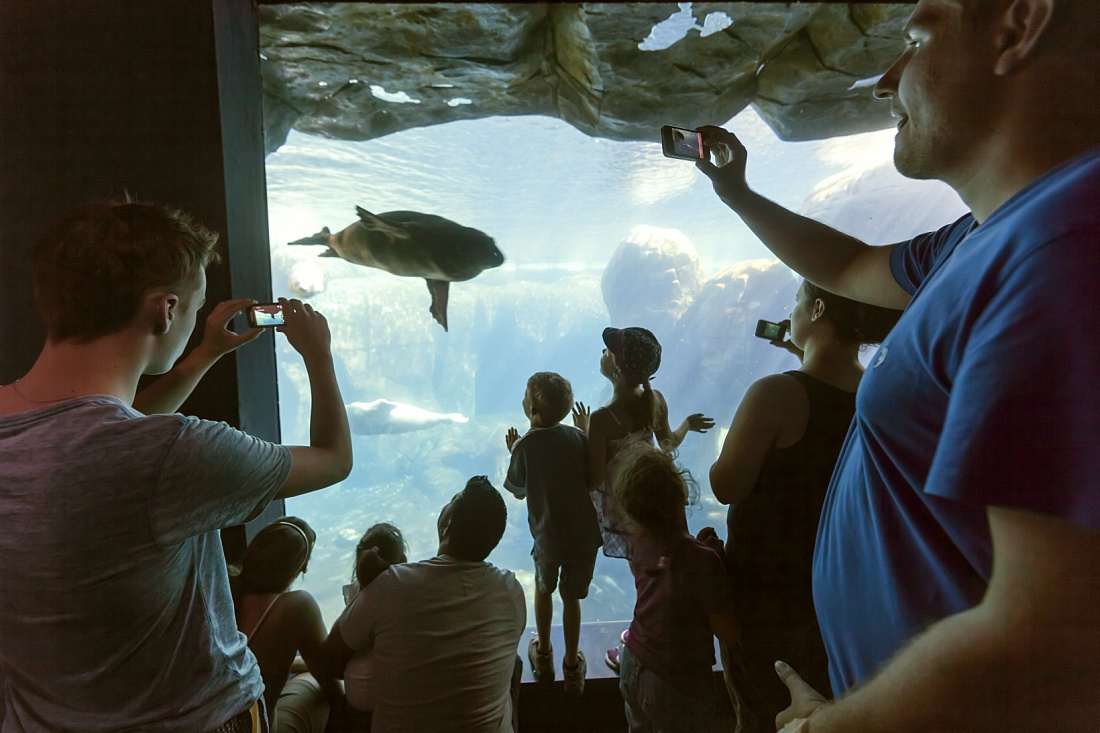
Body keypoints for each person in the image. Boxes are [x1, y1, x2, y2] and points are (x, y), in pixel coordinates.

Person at [695, 0, 1100, 728]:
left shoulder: (1064, 244)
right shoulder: (979, 239)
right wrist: (736, 193)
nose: (886, 79)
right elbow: (847, 264)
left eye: (915, 39)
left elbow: (1056, 639)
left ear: (1018, 26)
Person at [0, 200, 353, 731]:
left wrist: (203, 354)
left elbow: (96, 433)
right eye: (193, 309)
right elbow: (333, 460)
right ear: (165, 311)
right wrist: (319, 355)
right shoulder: (173, 452)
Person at [709, 282, 899, 732]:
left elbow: (726, 485)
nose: (790, 309)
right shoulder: (878, 391)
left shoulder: (775, 394)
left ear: (816, 308)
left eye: (796, 299)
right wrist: (805, 359)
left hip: (768, 601)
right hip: (845, 598)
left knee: (765, 713)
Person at [315, 476, 526, 733]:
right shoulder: (511, 592)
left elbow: (329, 660)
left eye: (452, 500)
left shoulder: (393, 584)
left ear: (447, 525)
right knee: (513, 664)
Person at [612, 441, 740, 733]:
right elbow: (729, 632)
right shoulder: (704, 563)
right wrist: (717, 563)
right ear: (681, 493)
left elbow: (671, 567)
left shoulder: (640, 545)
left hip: (633, 663)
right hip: (677, 684)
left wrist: (696, 547)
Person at [573, 326, 714, 561]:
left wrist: (583, 431)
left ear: (618, 367)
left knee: (641, 562)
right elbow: (668, 444)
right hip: (654, 496)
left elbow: (594, 479)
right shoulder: (655, 399)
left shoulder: (601, 419)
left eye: (608, 351)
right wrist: (687, 424)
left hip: (626, 506)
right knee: (662, 554)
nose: (603, 352)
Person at [504, 371, 601, 695]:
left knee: (544, 590)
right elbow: (591, 477)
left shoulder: (525, 445)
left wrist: (513, 452)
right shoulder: (577, 438)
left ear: (531, 412)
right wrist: (585, 429)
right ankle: (572, 667)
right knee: (572, 598)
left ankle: (543, 654)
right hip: (584, 536)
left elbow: (518, 491)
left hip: (548, 538)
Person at [232, 517, 340, 733]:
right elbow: (329, 678)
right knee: (313, 683)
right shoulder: (295, 606)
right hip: (256, 728)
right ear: (301, 567)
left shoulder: (226, 587)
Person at [336, 521, 409, 730]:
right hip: (398, 696)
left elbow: (339, 652)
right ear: (402, 560)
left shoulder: (356, 595)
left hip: (359, 697)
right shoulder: (409, 591)